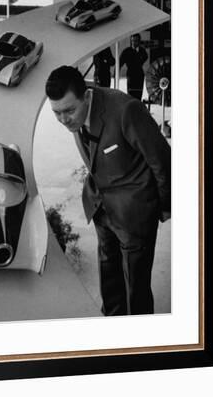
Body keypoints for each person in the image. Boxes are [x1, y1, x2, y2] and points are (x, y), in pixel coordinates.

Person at [45, 65, 171, 316]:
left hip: (134, 214)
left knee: (136, 288)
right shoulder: (75, 115)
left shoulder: (126, 110)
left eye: (69, 110)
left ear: (87, 96)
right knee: (110, 280)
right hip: (101, 209)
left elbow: (162, 159)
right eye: (56, 113)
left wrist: (165, 205)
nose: (63, 120)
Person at [120, 33, 148, 100]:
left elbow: (145, 57)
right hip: (131, 75)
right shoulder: (127, 51)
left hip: (139, 76)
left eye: (135, 41)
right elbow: (120, 62)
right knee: (130, 96)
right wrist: (116, 72)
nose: (133, 43)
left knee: (138, 95)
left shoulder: (142, 51)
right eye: (132, 41)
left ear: (139, 41)